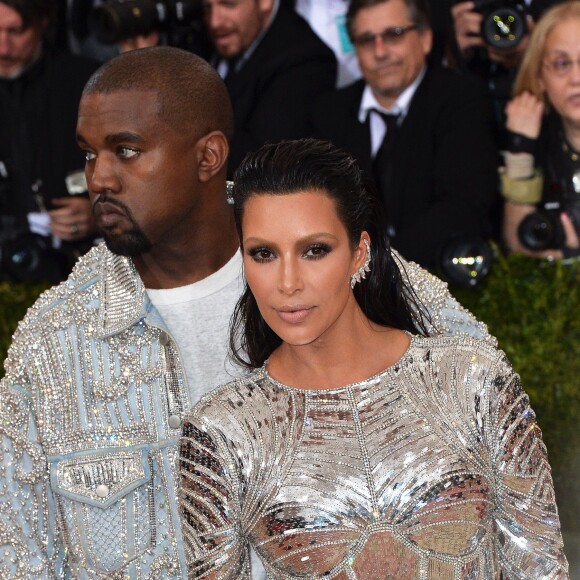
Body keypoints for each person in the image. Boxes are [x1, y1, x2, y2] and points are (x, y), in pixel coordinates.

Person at [0, 46, 494, 578]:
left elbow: (487, 438)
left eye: (126, 150)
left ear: (208, 157)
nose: (99, 179)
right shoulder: (55, 343)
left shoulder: (338, 268)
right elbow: (22, 553)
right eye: (90, 153)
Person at [179, 138, 569, 578]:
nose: (287, 282)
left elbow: (540, 565)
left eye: (314, 250)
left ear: (359, 252)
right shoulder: (223, 431)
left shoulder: (470, 380)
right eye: (263, 254)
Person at [310, 0, 498, 271]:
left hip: (440, 278)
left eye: (394, 34)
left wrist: (377, 266)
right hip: (349, 285)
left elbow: (463, 207)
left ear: (425, 38)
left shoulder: (461, 99)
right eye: (366, 40)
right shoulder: (330, 113)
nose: (380, 51)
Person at [0, 0, 99, 282]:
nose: (3, 48)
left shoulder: (87, 82)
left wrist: (99, 216)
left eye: (15, 31)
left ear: (43, 22)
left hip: (79, 271)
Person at [202, 0, 337, 175]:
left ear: (265, 2)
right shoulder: (199, 37)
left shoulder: (306, 60)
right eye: (207, 7)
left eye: (229, 5)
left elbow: (262, 162)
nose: (214, 22)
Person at [500, 0, 580, 259]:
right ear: (540, 79)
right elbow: (519, 254)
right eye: (561, 64)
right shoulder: (540, 143)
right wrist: (520, 149)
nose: (576, 78)